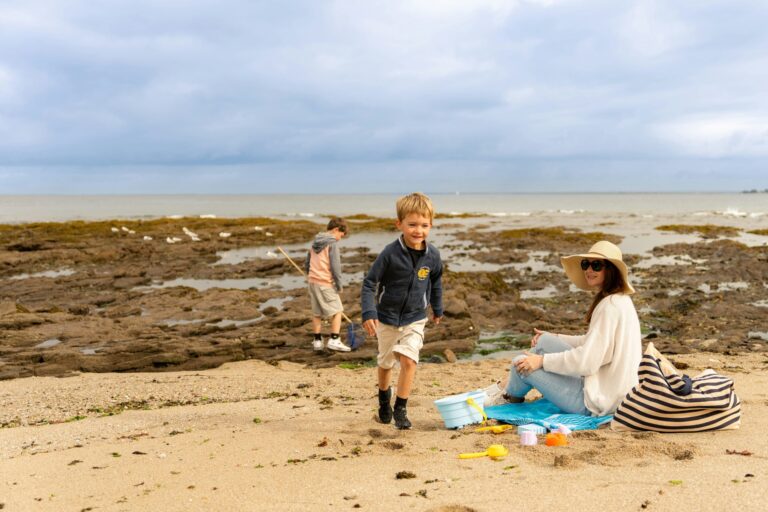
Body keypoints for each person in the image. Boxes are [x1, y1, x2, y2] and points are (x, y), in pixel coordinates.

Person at [485, 240, 641, 416]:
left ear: (611, 270)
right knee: (544, 341)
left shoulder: (609, 307)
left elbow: (587, 362)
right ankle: (506, 389)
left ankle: (508, 396)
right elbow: (593, 344)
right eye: (586, 264)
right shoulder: (619, 300)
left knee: (520, 363)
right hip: (608, 392)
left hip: (596, 402)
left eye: (596, 265)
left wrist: (542, 361)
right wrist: (556, 336)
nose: (589, 270)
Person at [361, 192, 444, 429]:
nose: (418, 230)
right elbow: (369, 283)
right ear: (399, 224)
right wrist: (369, 313)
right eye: (412, 225)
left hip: (415, 317)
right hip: (386, 318)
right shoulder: (390, 253)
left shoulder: (433, 255)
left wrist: (437, 308)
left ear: (431, 225)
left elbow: (436, 281)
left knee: (409, 360)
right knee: (386, 363)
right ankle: (384, 400)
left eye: (424, 225)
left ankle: (401, 408)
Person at [305, 217, 351, 352]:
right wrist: (339, 285)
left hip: (313, 282)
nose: (340, 238)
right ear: (336, 229)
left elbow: (307, 262)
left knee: (317, 313)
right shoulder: (332, 244)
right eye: (341, 235)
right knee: (338, 311)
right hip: (325, 282)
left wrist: (309, 273)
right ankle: (334, 340)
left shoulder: (315, 243)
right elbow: (336, 267)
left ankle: (317, 341)